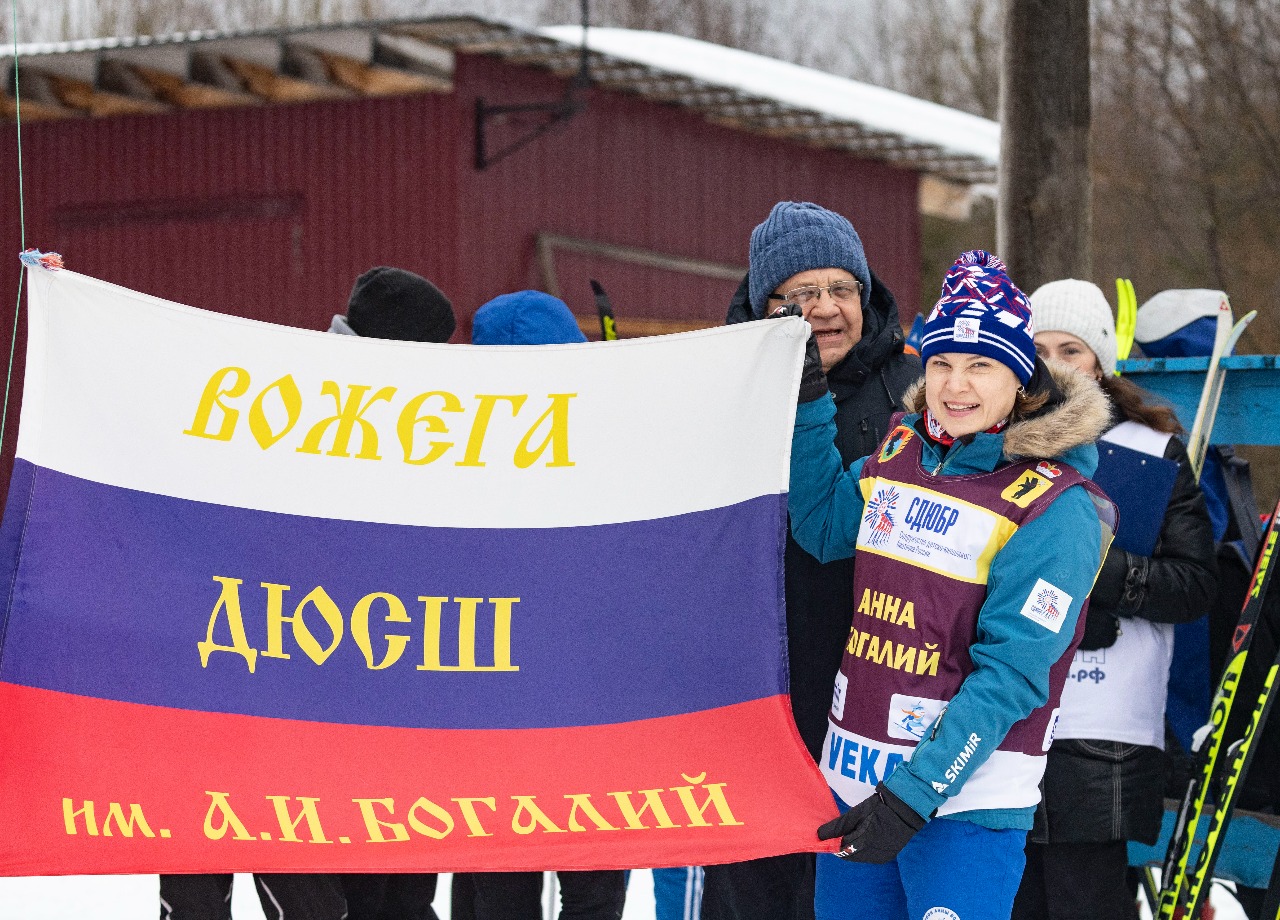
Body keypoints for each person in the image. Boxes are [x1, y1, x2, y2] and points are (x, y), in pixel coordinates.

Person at [786, 251, 1115, 920]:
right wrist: (809, 402)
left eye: (980, 365)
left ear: (1022, 379)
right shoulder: (900, 454)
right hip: (854, 788)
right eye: (941, 362)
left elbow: (1012, 675)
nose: (954, 385)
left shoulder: (1058, 507)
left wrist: (913, 796)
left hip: (963, 808)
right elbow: (822, 527)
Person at [703, 201, 920, 920]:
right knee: (755, 888)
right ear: (764, 306)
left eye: (842, 290)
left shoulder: (917, 395)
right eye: (801, 293)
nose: (826, 309)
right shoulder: (720, 393)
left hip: (872, 690)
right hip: (754, 688)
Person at [1012, 279, 1217, 920]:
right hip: (1002, 722)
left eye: (1069, 350)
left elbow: (1193, 585)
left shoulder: (1147, 451)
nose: (1053, 365)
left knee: (1084, 898)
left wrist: (1104, 576)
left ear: (1099, 362)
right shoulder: (986, 446)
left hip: (1100, 730)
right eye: (1037, 348)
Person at [454, 290, 627, 920]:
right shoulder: (454, 473)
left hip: (593, 716)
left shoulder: (613, 462)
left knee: (591, 895)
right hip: (497, 722)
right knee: (498, 887)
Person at [332, 264, 457, 920]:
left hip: (417, 678)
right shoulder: (320, 413)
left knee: (408, 872)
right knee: (363, 879)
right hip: (338, 686)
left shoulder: (417, 418)